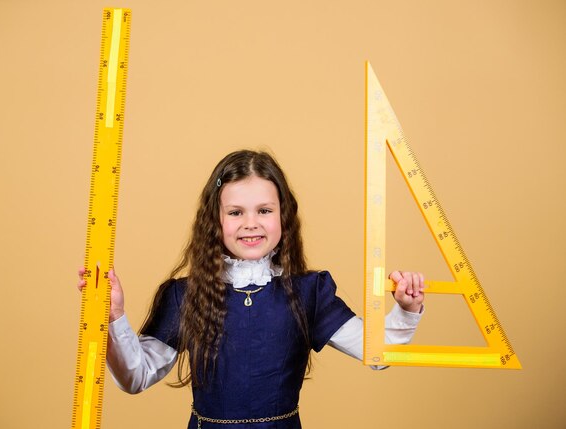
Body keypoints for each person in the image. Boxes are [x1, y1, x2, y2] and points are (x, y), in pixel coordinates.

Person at [77, 150, 425, 428]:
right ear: (215, 221)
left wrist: (406, 310)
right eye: (235, 212)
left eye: (264, 210)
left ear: (283, 216)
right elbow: (134, 377)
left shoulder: (309, 292)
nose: (251, 224)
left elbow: (379, 354)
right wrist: (115, 318)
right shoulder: (184, 295)